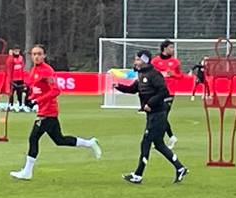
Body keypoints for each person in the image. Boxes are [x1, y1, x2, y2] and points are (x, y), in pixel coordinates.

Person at [10, 44, 102, 180]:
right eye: (34, 54)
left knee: (33, 138)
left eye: (39, 54)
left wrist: (36, 101)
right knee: (59, 139)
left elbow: (55, 90)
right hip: (44, 111)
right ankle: (89, 143)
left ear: (44, 55)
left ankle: (27, 172)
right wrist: (30, 97)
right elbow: (37, 89)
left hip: (48, 111)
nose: (36, 56)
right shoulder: (34, 70)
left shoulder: (47, 71)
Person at [114, 49, 188, 185]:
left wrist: (150, 103)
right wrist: (118, 86)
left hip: (158, 114)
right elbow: (134, 88)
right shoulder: (142, 74)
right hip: (153, 115)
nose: (135, 61)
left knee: (146, 142)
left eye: (137, 59)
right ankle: (180, 168)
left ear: (144, 60)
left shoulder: (154, 74)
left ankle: (138, 175)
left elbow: (163, 91)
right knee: (159, 144)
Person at [151, 40, 183, 147]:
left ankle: (169, 138)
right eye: (171, 47)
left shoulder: (175, 62)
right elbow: (151, 74)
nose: (172, 50)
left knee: (163, 115)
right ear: (164, 48)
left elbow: (180, 76)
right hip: (157, 91)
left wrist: (173, 74)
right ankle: (167, 138)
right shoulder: (155, 61)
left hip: (169, 92)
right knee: (159, 116)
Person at [9, 47, 28, 112]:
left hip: (20, 78)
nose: (17, 52)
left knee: (19, 92)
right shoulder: (11, 58)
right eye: (15, 50)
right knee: (11, 92)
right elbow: (8, 68)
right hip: (13, 78)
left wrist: (23, 78)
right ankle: (10, 105)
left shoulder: (21, 58)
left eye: (18, 50)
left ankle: (20, 104)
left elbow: (23, 68)